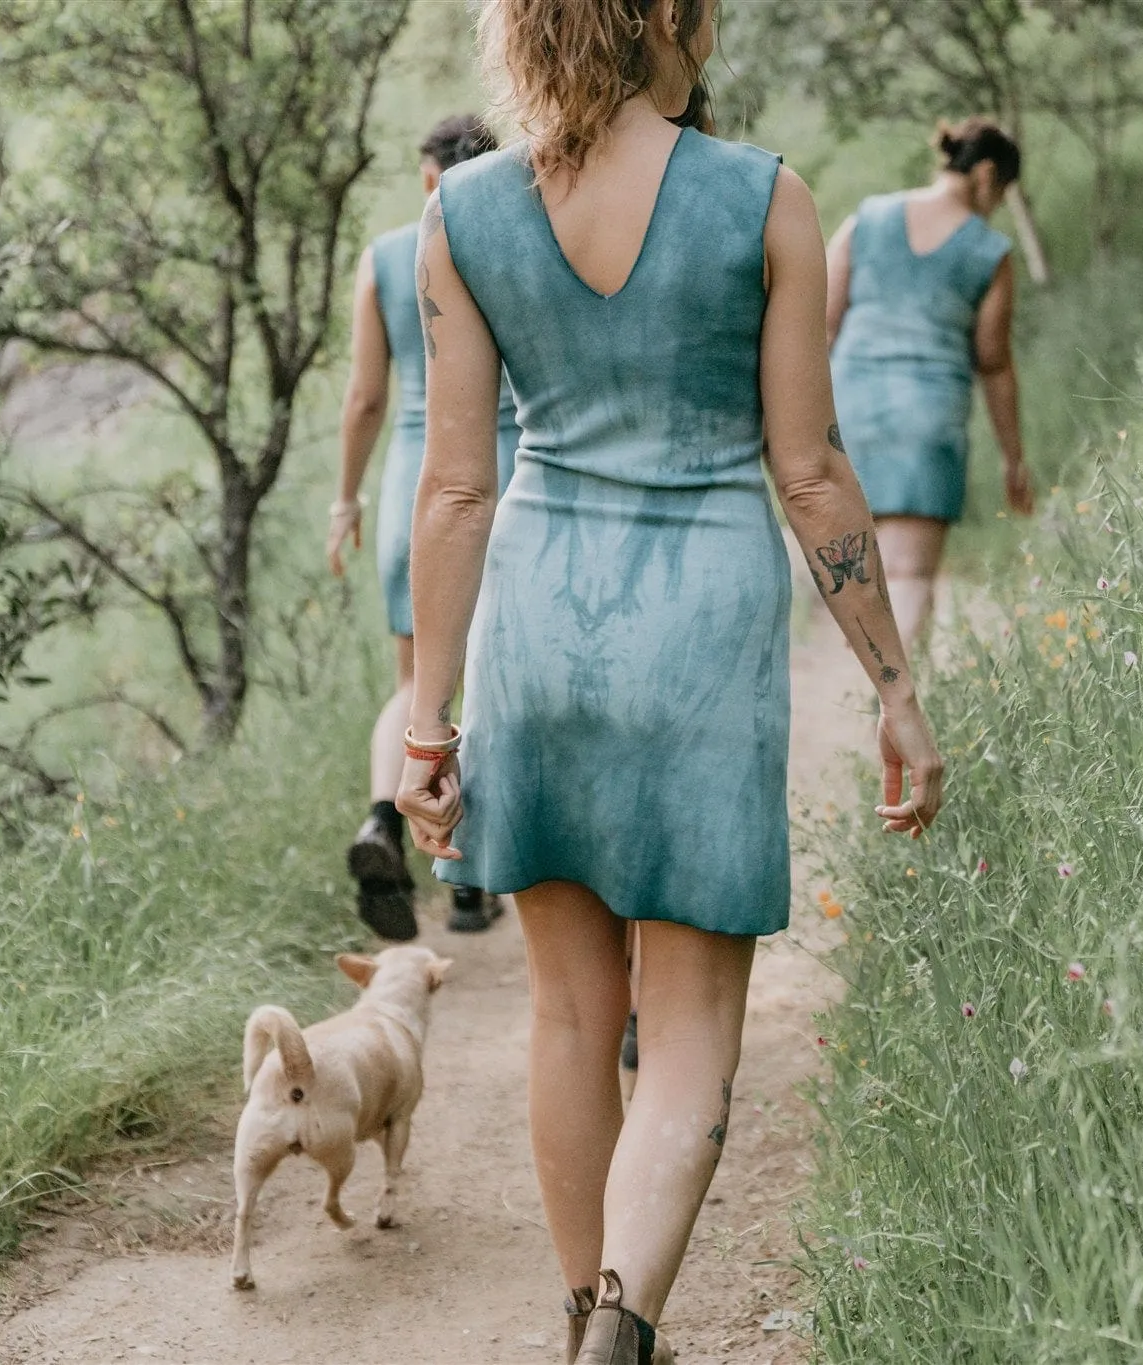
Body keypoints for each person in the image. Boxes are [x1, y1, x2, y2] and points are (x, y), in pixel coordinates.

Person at [393, 0, 945, 1359]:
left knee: (573, 1014)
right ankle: (626, 1328)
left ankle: (582, 1308)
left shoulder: (462, 213)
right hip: (702, 636)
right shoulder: (765, 199)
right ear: (665, 21)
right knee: (688, 1028)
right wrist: (894, 687)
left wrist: (426, 711)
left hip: (540, 630)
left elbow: (458, 488)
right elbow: (808, 470)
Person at [328, 114, 520, 941]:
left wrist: (347, 497)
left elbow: (366, 397)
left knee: (414, 681)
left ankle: (381, 820)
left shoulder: (384, 258)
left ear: (432, 176)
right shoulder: (521, 243)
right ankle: (470, 878)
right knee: (484, 680)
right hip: (505, 475)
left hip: (416, 478)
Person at [825, 117, 1035, 652]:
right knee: (911, 576)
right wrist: (1014, 458)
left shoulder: (867, 218)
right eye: (1002, 191)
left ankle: (867, 690)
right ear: (986, 174)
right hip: (929, 418)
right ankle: (896, 714)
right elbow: (993, 362)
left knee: (861, 573)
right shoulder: (989, 252)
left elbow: (821, 323)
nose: (997, 204)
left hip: (853, 410)